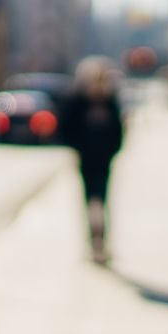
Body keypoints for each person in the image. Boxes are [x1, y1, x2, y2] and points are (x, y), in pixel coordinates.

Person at [57, 56, 126, 264]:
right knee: (90, 201)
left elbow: (118, 130)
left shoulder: (109, 101)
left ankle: (101, 242)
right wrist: (78, 148)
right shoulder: (78, 102)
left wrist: (112, 150)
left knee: (101, 200)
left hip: (104, 159)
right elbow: (66, 128)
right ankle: (93, 242)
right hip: (86, 159)